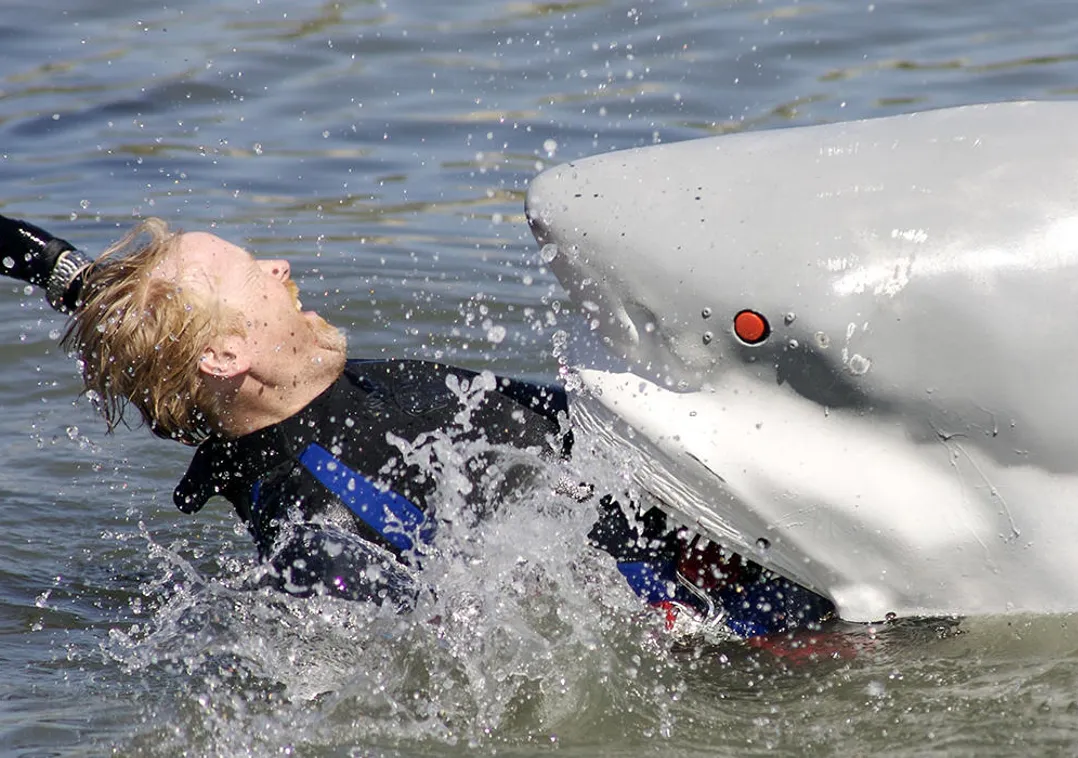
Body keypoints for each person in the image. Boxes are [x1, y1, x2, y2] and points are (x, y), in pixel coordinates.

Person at [0, 213, 834, 641]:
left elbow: (70, 278)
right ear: (224, 353)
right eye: (253, 271)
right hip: (752, 624)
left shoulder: (261, 385)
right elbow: (400, 645)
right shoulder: (315, 519)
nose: (281, 267)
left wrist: (56, 268)